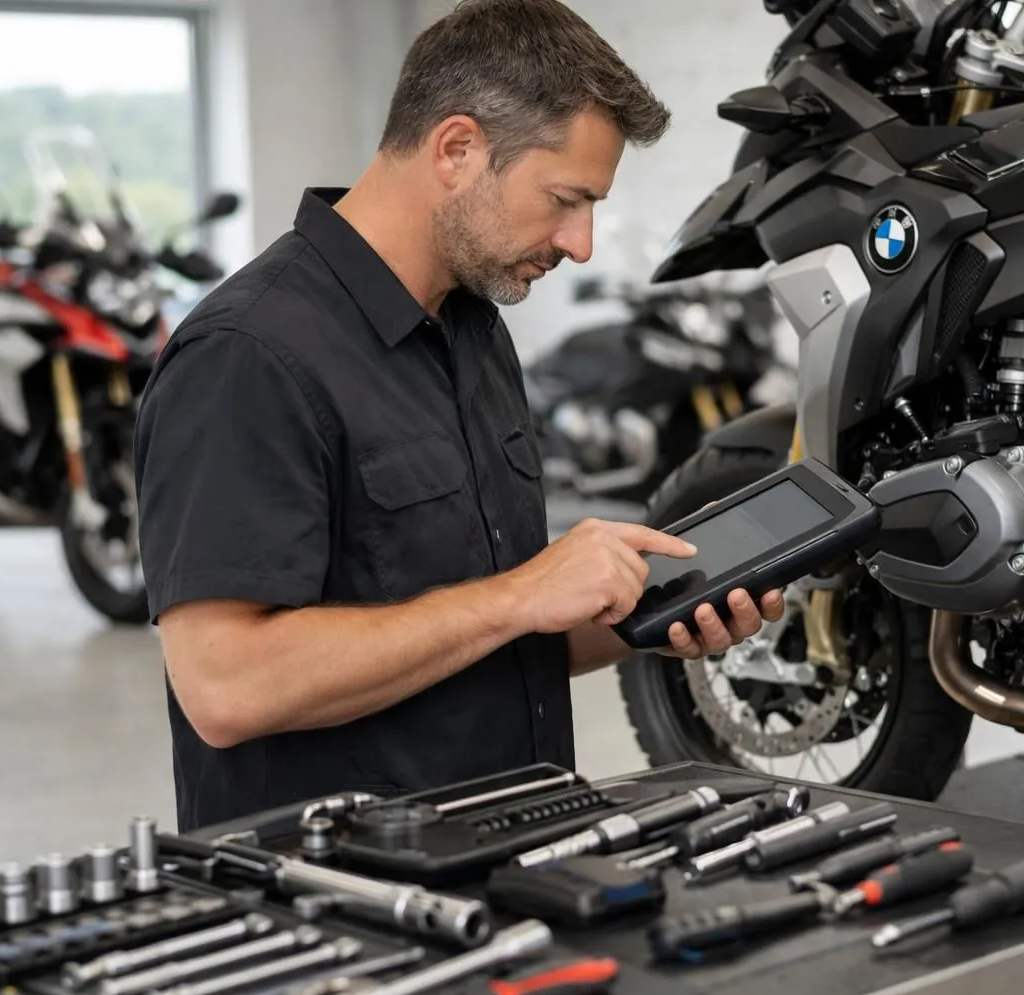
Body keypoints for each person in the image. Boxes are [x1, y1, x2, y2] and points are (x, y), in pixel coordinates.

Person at [134, 0, 786, 831]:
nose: (581, 243)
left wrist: (644, 616)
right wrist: (519, 595)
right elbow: (227, 687)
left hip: (513, 858)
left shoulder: (472, 330)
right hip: (341, 910)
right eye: (564, 199)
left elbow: (485, 639)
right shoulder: (248, 356)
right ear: (457, 149)